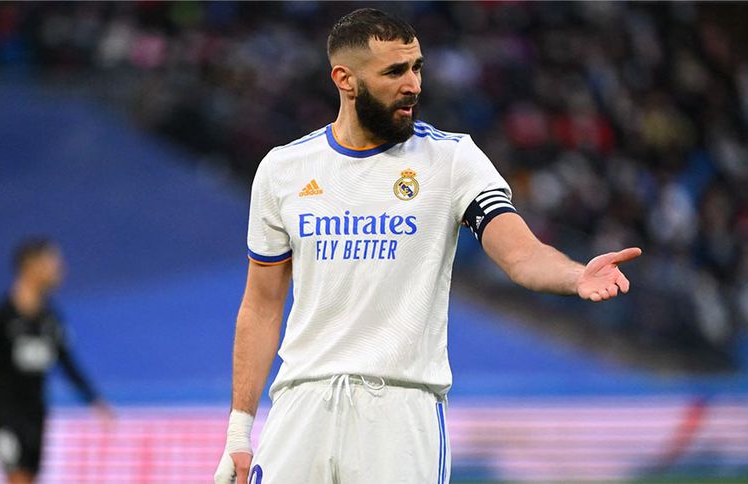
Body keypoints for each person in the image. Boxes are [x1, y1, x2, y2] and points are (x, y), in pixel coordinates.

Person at [214, 8, 642, 484]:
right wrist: (238, 433)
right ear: (345, 79)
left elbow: (520, 253)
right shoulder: (283, 170)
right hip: (301, 406)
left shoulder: (452, 159)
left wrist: (575, 275)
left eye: (417, 67)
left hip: (400, 411)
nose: (413, 85)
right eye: (395, 71)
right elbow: (261, 305)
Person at [0, 237, 112, 484]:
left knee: (28, 478)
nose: (60, 269)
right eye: (53, 263)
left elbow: (67, 363)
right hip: (4, 415)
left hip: (36, 414)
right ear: (31, 266)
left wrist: (93, 400)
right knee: (17, 477)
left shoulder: (50, 320)